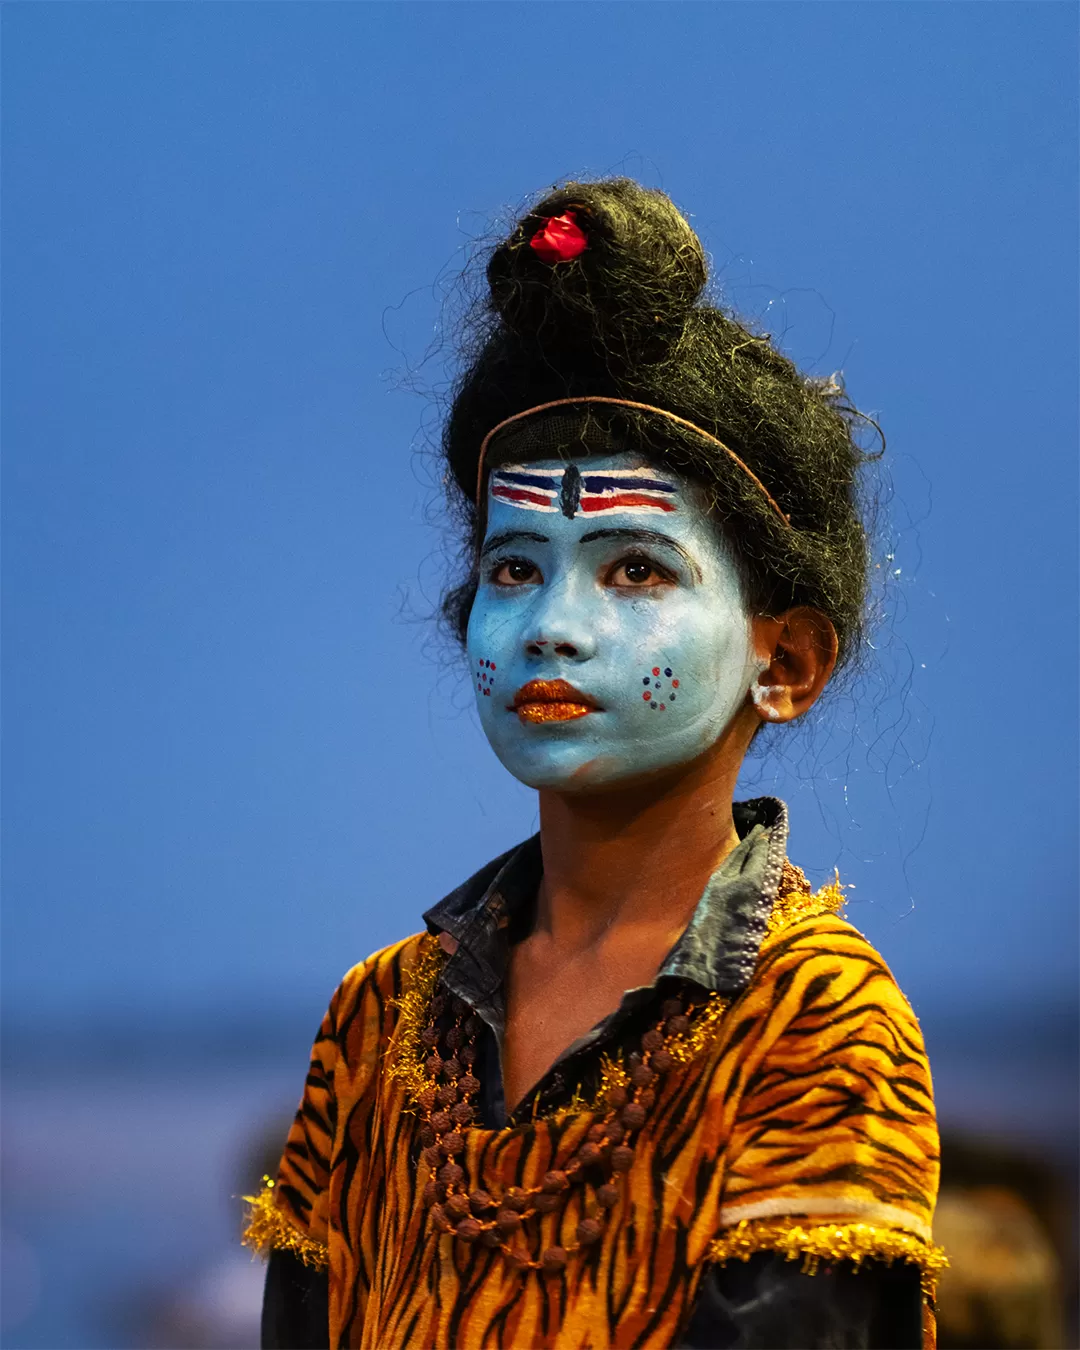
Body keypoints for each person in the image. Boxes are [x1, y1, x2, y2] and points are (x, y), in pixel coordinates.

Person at [244, 178, 944, 1349]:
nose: (549, 628)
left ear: (788, 658)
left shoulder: (815, 1025)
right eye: (515, 569)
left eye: (635, 571)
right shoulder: (375, 1025)